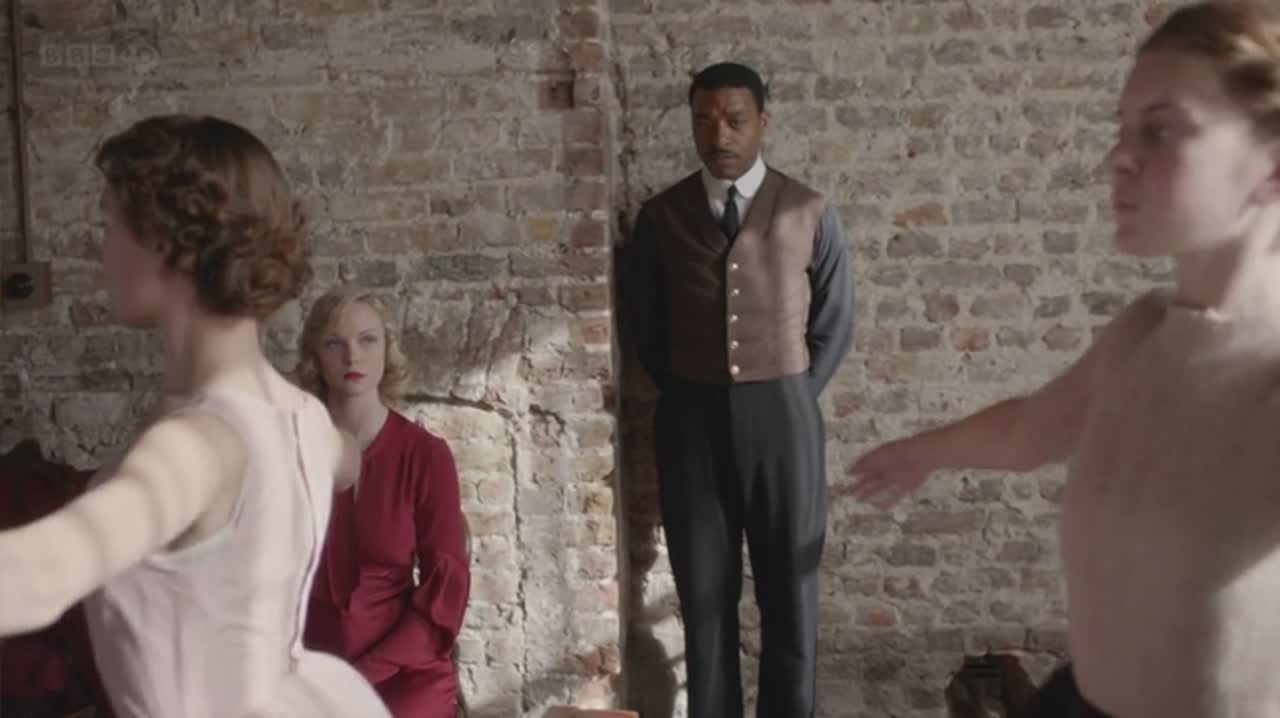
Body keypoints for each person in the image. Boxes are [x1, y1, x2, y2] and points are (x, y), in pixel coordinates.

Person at [847, 3, 1280, 716]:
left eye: (1160, 130)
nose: (1119, 158)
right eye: (1122, 128)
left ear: (1272, 166)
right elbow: (1030, 432)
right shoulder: (1142, 333)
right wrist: (919, 453)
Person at [0, 114, 389, 717]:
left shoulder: (195, 445)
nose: (101, 252)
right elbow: (349, 459)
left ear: (164, 242)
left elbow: (38, 576)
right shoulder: (306, 420)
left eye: (109, 225)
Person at [624, 61, 855, 718]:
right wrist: (691, 390)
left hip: (785, 417)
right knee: (704, 600)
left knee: (791, 597)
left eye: (734, 119)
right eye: (703, 119)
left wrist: (790, 394)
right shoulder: (661, 217)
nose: (718, 134)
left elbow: (835, 322)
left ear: (762, 123)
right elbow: (646, 327)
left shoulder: (809, 210)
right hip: (690, 423)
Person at [298, 287, 470, 718]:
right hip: (310, 670)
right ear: (315, 356)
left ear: (386, 350)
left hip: (403, 672)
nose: (352, 357)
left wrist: (364, 673)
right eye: (334, 343)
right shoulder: (291, 449)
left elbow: (443, 592)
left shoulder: (426, 456)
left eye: (367, 340)